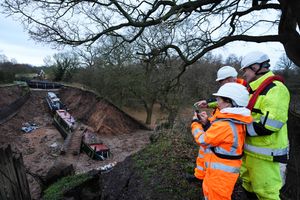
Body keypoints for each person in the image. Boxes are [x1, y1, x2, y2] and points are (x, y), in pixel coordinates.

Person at [239, 51, 290, 200]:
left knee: (266, 194)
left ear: (256, 67)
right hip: (249, 153)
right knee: (248, 187)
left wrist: (237, 129)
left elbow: (268, 126)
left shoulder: (276, 90)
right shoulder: (252, 89)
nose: (244, 75)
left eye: (245, 70)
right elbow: (233, 103)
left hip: (265, 157)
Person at [191, 82, 252, 200]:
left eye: (219, 100)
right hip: (224, 172)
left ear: (229, 102)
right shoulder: (237, 120)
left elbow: (202, 139)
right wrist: (207, 123)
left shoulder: (225, 124)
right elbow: (221, 138)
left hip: (219, 174)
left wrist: (195, 123)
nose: (217, 103)